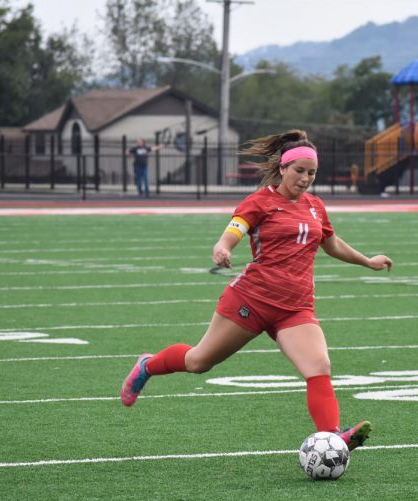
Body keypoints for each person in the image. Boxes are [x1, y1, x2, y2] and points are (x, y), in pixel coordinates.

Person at [120, 129, 393, 452]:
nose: (305, 179)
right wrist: (223, 247)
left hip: (295, 308)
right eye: (299, 171)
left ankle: (333, 438)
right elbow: (235, 228)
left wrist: (367, 262)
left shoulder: (316, 206)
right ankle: (147, 366)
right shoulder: (260, 201)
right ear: (282, 169)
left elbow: (330, 243)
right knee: (198, 362)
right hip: (251, 301)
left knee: (319, 368)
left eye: (312, 173)